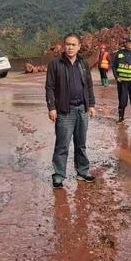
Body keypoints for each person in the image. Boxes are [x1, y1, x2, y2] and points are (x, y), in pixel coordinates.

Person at [45, 33, 96, 189]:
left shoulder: (83, 64)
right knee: (62, 145)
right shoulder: (55, 64)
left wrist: (91, 105)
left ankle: (82, 171)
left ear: (79, 47)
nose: (70, 47)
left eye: (74, 45)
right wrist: (52, 108)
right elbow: (50, 87)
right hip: (64, 112)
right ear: (63, 45)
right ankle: (59, 176)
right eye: (68, 44)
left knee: (81, 144)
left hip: (82, 109)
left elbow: (89, 85)